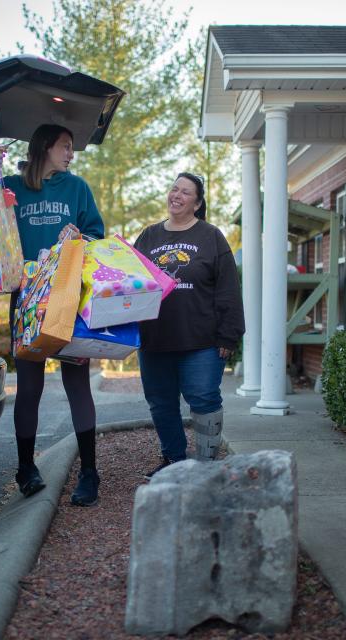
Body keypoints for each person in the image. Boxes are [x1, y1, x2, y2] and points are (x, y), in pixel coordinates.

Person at [0, 124, 104, 506]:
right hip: (27, 299)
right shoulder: (11, 187)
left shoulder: (77, 188)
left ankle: (89, 472)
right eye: (65, 146)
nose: (71, 153)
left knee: (77, 384)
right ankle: (25, 468)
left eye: (72, 147)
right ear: (45, 147)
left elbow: (97, 235)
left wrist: (80, 238)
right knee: (31, 388)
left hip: (68, 299)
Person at [133, 172, 245, 477]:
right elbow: (132, 282)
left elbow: (228, 288)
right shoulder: (148, 236)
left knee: (204, 398)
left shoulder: (210, 236)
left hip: (202, 341)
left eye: (185, 192)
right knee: (160, 401)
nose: (176, 195)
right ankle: (174, 462)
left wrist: (229, 335)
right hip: (155, 338)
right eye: (174, 189)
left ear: (197, 203)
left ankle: (207, 465)